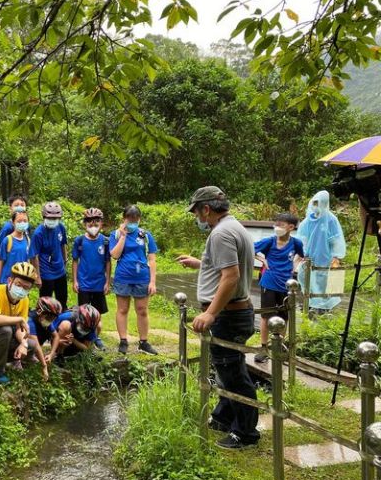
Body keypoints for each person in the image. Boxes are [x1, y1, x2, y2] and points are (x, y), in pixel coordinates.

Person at [177, 186, 259, 449]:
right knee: (227, 368)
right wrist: (200, 264)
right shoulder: (235, 227)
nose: (197, 218)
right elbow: (225, 267)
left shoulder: (221, 233)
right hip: (235, 311)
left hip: (229, 314)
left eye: (197, 212)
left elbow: (231, 276)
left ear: (206, 209)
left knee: (233, 373)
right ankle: (223, 417)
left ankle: (245, 433)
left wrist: (211, 312)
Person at [253, 213, 304, 363]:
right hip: (268, 282)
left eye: (281, 225)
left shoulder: (296, 243)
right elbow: (250, 248)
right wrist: (262, 258)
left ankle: (280, 345)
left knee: (284, 316)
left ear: (291, 227)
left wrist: (294, 266)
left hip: (286, 284)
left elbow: (301, 256)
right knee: (266, 316)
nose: (277, 227)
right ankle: (263, 348)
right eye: (276, 224)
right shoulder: (269, 241)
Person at [110, 205, 159, 355]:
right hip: (123, 277)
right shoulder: (116, 235)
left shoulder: (145, 235)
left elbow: (152, 260)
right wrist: (123, 236)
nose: (132, 222)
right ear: (124, 219)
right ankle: (123, 340)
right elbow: (115, 255)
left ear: (139, 219)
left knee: (142, 310)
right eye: (129, 219)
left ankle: (143, 342)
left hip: (142, 278)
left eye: (135, 220)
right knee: (122, 309)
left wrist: (152, 282)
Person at [296, 190, 346, 315]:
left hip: (326, 257)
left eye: (318, 203)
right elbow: (301, 239)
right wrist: (301, 253)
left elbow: (336, 239)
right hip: (309, 259)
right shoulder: (307, 221)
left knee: (325, 283)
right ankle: (310, 306)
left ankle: (325, 310)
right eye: (314, 202)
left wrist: (336, 257)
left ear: (325, 203)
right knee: (308, 280)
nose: (316, 205)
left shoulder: (331, 220)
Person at [72, 207, 110, 347]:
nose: (93, 226)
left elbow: (107, 262)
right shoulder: (79, 241)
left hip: (99, 283)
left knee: (97, 313)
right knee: (84, 313)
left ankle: (96, 337)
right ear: (85, 224)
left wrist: (107, 282)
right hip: (84, 283)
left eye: (96, 223)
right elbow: (75, 261)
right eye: (90, 224)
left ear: (101, 224)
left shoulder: (105, 241)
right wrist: (75, 280)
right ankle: (83, 335)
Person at [30, 201, 68, 308]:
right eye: (50, 218)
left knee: (62, 301)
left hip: (60, 270)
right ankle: (45, 324)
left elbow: (63, 245)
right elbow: (34, 256)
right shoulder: (38, 233)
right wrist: (37, 276)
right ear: (44, 217)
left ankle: (62, 322)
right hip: (46, 272)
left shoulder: (60, 227)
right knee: (46, 305)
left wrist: (65, 261)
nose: (53, 221)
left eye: (55, 218)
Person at [0, 194, 29, 280]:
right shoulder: (8, 228)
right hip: (7, 274)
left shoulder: (25, 227)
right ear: (10, 208)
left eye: (22, 205)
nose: (19, 207)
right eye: (16, 205)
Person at [0, 209, 31, 284]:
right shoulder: (7, 240)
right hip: (6, 281)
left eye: (25, 221)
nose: (22, 223)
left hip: (21, 282)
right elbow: (0, 262)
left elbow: (28, 262)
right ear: (13, 222)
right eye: (19, 221)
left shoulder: (28, 240)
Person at [26, 296, 66, 364]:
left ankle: (32, 355)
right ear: (40, 312)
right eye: (49, 317)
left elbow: (56, 337)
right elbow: (36, 344)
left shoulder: (46, 321)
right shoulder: (30, 321)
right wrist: (44, 365)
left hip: (36, 345)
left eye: (53, 317)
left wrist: (51, 354)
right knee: (33, 343)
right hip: (25, 344)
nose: (50, 320)